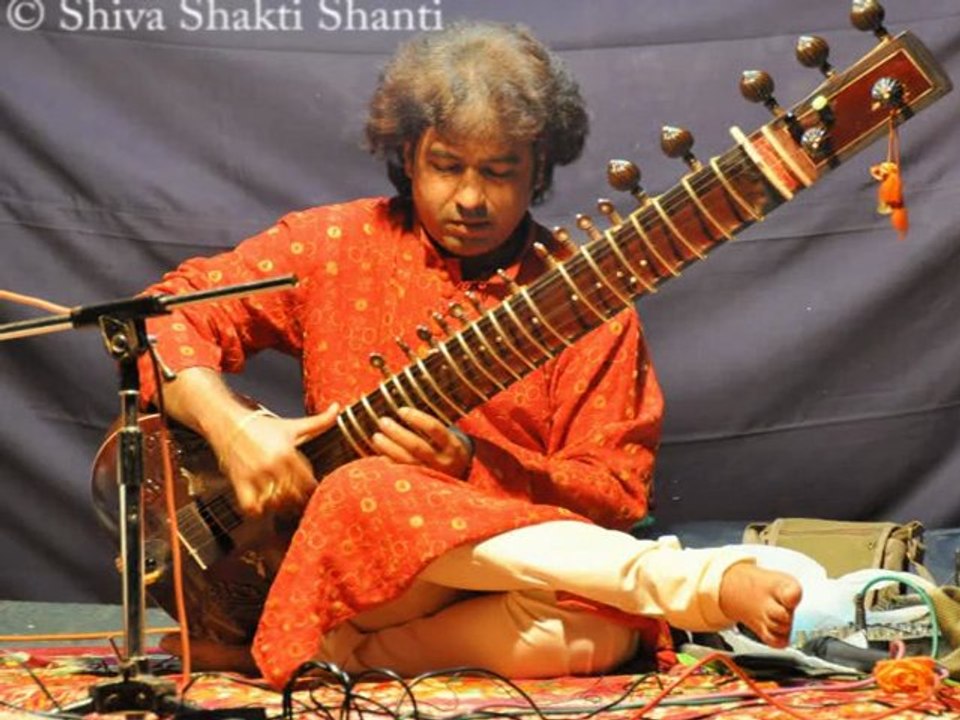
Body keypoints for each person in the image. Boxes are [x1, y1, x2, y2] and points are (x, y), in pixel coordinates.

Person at [139, 21, 801, 687]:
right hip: (357, 566)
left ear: (538, 165)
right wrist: (235, 429)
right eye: (447, 166)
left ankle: (320, 651)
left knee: (596, 633)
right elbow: (157, 322)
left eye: (499, 171)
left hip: (510, 577)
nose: (471, 199)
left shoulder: (589, 299)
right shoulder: (331, 246)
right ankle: (699, 581)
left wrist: (471, 465)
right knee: (365, 486)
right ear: (407, 155)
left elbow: (615, 494)